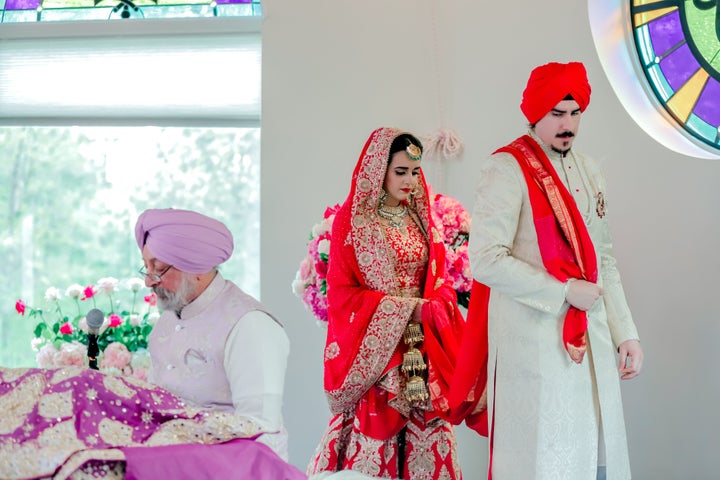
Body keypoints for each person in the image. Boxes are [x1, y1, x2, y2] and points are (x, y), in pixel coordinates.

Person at [0, 208, 304, 480]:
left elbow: (261, 432)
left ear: (196, 267)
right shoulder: (167, 322)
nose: (148, 280)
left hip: (231, 466)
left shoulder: (250, 324)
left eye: (158, 268)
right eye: (146, 267)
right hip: (169, 454)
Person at [466, 62, 644, 480]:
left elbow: (604, 257)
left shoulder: (588, 169)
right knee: (542, 462)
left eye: (575, 112)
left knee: (592, 459)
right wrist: (562, 291)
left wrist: (626, 332)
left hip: (593, 340)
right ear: (535, 114)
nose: (568, 124)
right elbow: (486, 258)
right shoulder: (506, 170)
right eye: (557, 114)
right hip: (534, 346)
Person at [307, 127, 482, 480]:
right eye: (401, 172)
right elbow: (342, 293)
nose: (410, 181)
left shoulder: (422, 219)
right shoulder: (354, 223)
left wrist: (436, 305)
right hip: (378, 360)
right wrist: (402, 310)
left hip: (421, 351)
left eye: (415, 172)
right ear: (378, 170)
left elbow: (440, 280)